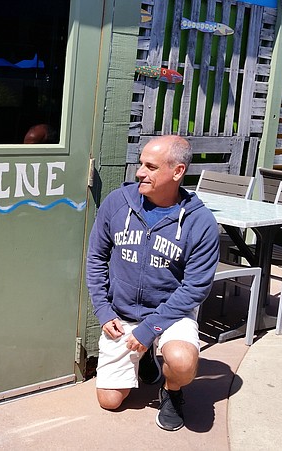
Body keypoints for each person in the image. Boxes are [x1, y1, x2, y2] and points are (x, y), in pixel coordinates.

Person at [85, 135, 219, 431]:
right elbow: (95, 259)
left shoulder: (200, 222)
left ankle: (172, 392)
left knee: (182, 362)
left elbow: (195, 288)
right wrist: (104, 312)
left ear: (177, 172)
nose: (139, 172)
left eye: (150, 166)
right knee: (109, 401)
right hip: (122, 315)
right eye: (141, 163)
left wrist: (150, 329)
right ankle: (146, 356)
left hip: (170, 315)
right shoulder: (118, 203)